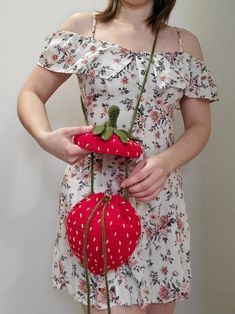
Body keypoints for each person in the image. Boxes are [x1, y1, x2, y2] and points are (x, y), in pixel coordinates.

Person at [17, 1, 219, 313]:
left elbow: (199, 126)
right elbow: (31, 94)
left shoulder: (185, 43)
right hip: (96, 198)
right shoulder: (85, 27)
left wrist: (165, 162)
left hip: (158, 199)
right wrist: (46, 138)